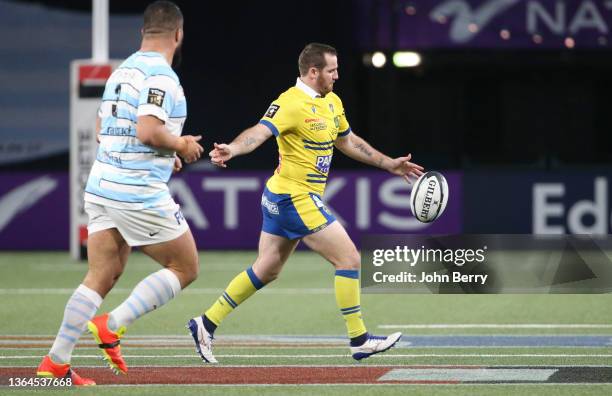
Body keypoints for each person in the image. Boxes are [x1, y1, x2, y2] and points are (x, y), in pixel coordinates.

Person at [187, 43, 424, 363]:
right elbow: (259, 132)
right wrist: (232, 148)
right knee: (350, 259)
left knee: (267, 269)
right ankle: (359, 339)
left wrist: (388, 164)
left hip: (286, 196)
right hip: (292, 197)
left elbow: (348, 141)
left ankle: (206, 323)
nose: (337, 76)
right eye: (331, 70)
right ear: (313, 73)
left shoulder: (332, 102)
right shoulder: (290, 102)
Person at [36, 1, 203, 385]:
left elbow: (102, 127)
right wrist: (179, 146)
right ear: (178, 34)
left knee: (103, 274)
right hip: (136, 190)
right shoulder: (162, 76)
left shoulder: (121, 71)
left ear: (142, 33)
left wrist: (163, 152)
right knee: (185, 267)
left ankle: (56, 363)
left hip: (101, 185)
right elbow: (147, 130)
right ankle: (112, 325)